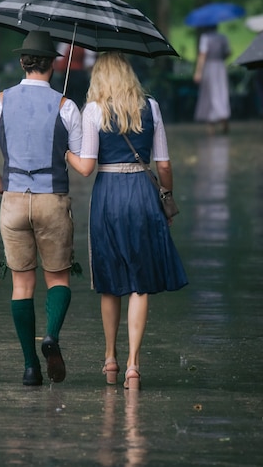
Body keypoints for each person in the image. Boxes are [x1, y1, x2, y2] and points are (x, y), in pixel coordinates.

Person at [66, 53, 187, 390]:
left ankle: (110, 358)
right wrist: (166, 196)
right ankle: (134, 363)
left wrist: (65, 151)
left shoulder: (92, 110)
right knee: (139, 282)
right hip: (143, 195)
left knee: (109, 280)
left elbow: (86, 165)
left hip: (108, 195)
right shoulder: (152, 107)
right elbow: (163, 164)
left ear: (99, 77)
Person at [0, 31, 82, 387]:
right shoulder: (66, 106)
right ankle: (51, 335)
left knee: (22, 283)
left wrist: (3, 188)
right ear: (53, 64)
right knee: (58, 277)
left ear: (23, 62)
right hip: (53, 199)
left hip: (14, 201)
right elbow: (79, 158)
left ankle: (29, 366)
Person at [193, 25, 231, 134]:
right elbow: (228, 52)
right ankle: (223, 118)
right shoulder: (222, 37)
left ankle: (211, 124)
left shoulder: (205, 38)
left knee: (209, 94)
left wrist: (198, 72)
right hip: (220, 67)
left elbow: (202, 55)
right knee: (221, 93)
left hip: (209, 67)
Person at [53, 43, 97, 108]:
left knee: (76, 97)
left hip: (78, 76)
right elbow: (89, 63)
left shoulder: (65, 44)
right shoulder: (65, 44)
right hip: (69, 76)